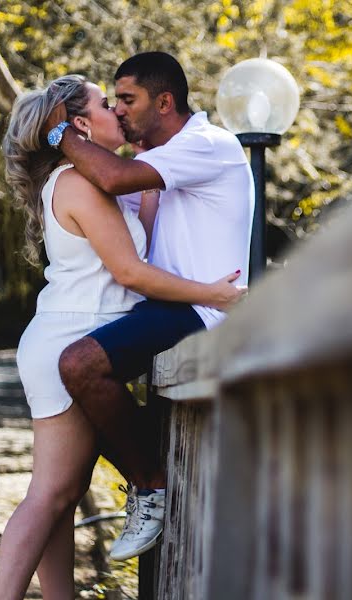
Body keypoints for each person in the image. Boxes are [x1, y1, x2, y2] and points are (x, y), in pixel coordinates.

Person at [0, 75, 245, 600]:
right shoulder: (81, 182)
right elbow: (130, 273)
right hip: (71, 338)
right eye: (107, 104)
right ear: (81, 123)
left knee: (61, 496)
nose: (118, 111)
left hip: (70, 334)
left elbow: (143, 239)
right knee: (50, 495)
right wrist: (209, 293)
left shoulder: (91, 182)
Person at [43, 52, 254, 561]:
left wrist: (59, 134)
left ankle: (150, 486)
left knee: (80, 364)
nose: (117, 111)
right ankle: (148, 478)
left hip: (202, 310)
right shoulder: (157, 163)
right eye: (112, 101)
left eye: (127, 100)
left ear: (164, 102)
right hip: (166, 307)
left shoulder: (206, 145)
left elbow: (112, 179)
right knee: (77, 372)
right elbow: (111, 192)